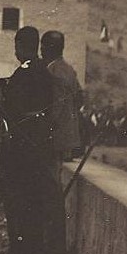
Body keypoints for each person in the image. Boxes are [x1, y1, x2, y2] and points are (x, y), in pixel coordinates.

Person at [0, 26, 66, 254]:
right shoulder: (43, 71)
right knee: (34, 197)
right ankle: (33, 246)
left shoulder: (25, 73)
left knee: (19, 197)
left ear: (20, 46)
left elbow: (13, 108)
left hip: (23, 144)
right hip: (39, 143)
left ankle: (22, 247)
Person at [42, 30, 82, 158]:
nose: (41, 50)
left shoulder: (54, 70)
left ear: (50, 48)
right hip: (66, 134)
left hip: (54, 135)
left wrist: (45, 127)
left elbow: (55, 106)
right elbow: (80, 97)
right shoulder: (69, 69)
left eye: (43, 45)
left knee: (50, 172)